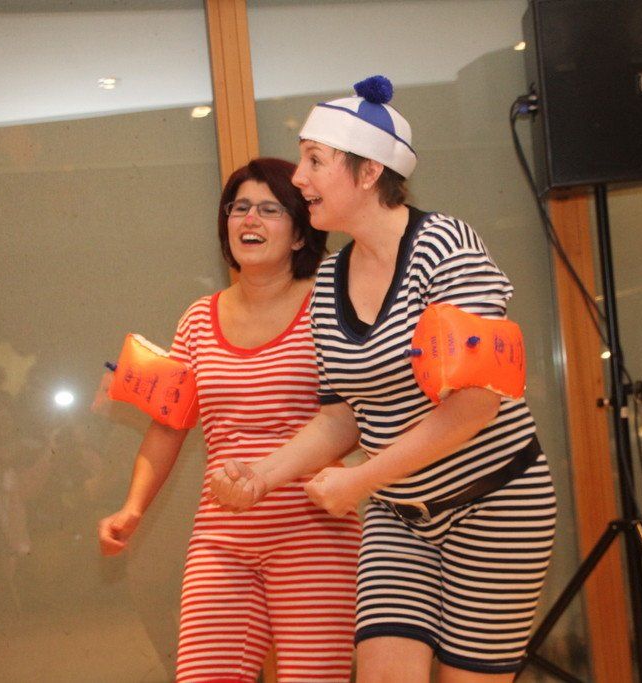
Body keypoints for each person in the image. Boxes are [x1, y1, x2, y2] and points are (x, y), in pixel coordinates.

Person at [212, 76, 558, 683]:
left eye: (315, 160)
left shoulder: (446, 246)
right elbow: (341, 416)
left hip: (496, 505)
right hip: (399, 517)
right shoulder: (328, 280)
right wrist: (262, 476)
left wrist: (360, 480)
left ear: (369, 172)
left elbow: (477, 404)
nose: (299, 178)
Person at [98, 157, 361, 683]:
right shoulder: (198, 318)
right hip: (221, 537)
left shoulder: (330, 306)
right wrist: (132, 508)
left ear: (299, 234)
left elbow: (357, 416)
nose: (249, 220)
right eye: (239, 208)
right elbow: (170, 424)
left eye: (269, 209)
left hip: (315, 534)